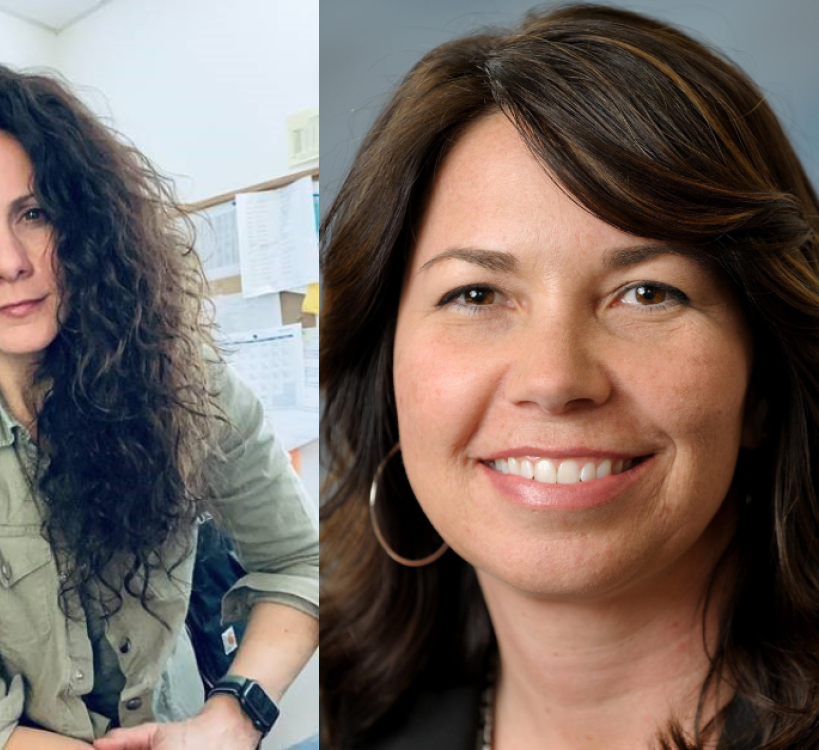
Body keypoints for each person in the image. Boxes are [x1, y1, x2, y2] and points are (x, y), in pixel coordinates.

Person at [319, 5, 819, 749]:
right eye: (477, 295)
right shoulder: (342, 719)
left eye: (648, 293)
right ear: (385, 374)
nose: (555, 379)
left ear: (764, 387)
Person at [0, 64, 319, 750]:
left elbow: (301, 562)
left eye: (34, 214)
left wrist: (231, 718)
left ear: (85, 221)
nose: (7, 262)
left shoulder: (189, 383)